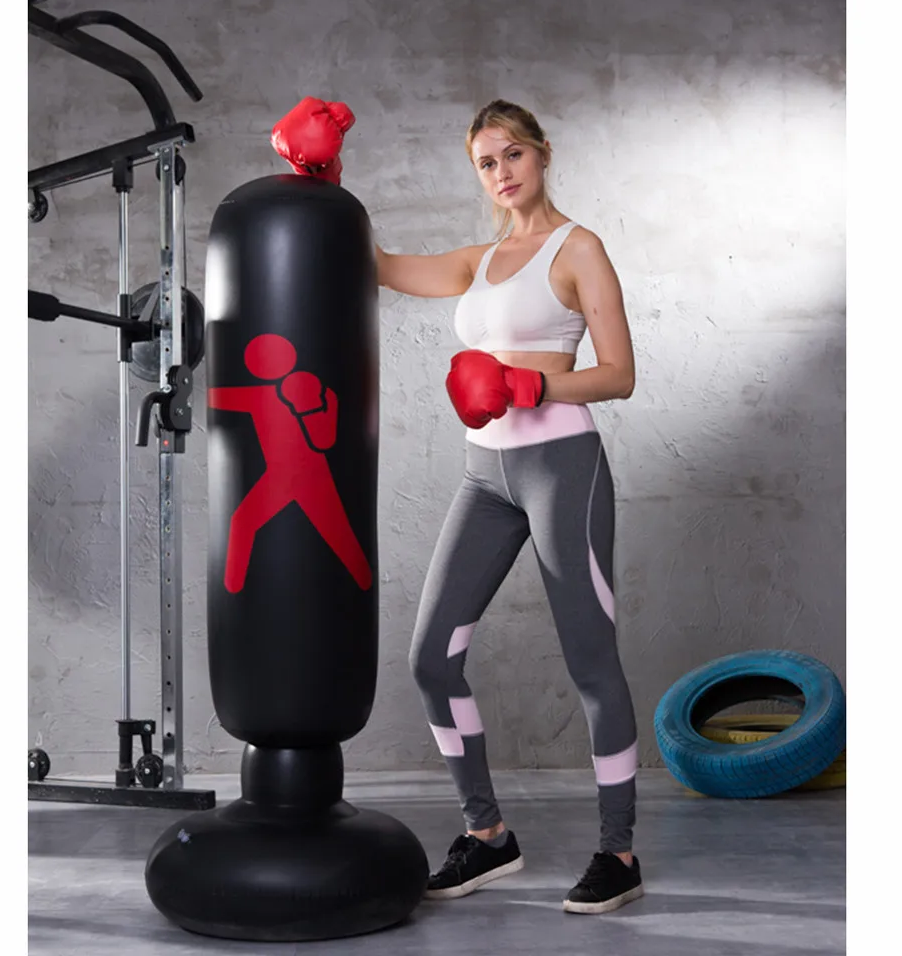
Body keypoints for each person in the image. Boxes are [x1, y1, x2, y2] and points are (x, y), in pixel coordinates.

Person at [269, 95, 643, 915]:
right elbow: (375, 263)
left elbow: (619, 373)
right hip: (486, 473)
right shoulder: (478, 261)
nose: (501, 172)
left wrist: (526, 383)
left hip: (561, 466)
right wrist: (323, 178)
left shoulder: (578, 249)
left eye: (512, 154)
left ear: (542, 153)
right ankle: (488, 834)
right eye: (485, 162)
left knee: (591, 662)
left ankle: (618, 851)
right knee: (431, 658)